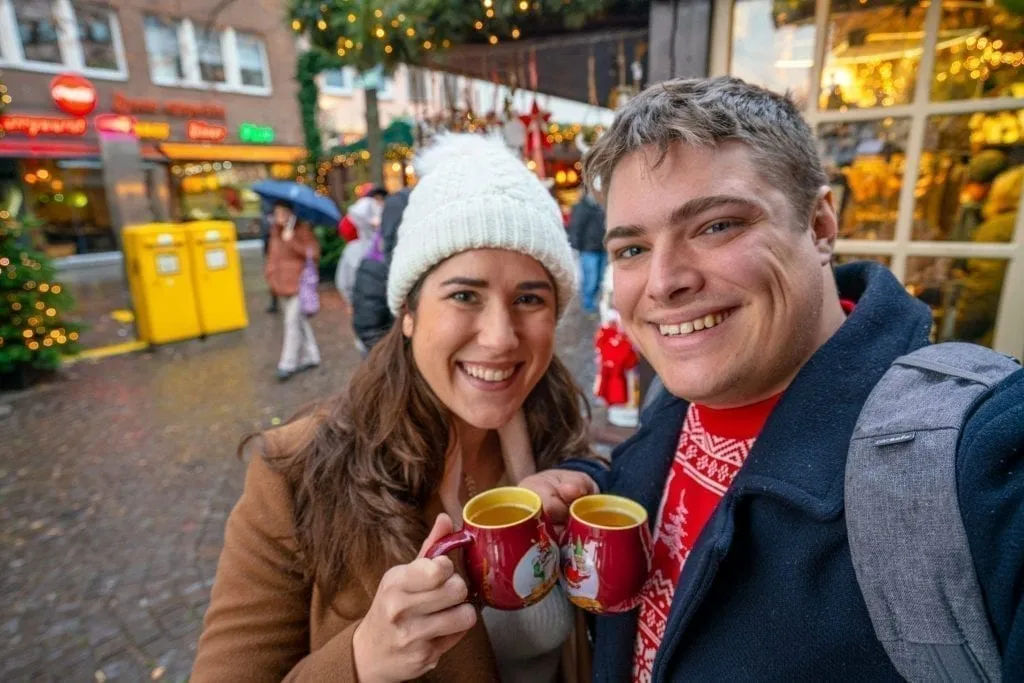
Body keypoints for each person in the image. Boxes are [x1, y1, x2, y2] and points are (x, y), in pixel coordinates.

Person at [519, 77, 1024, 680]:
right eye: (632, 249)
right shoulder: (675, 396)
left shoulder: (979, 453)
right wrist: (590, 484)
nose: (662, 282)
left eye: (716, 226)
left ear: (819, 226)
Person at [192, 134, 596, 683]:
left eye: (530, 298)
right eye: (464, 295)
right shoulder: (300, 474)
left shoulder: (562, 446)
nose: (501, 338)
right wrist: (361, 660)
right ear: (408, 312)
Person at [264, 201, 321, 382]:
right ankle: (312, 355)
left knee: (291, 322)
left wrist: (293, 242)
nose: (280, 215)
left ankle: (287, 364)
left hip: (299, 285)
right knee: (299, 321)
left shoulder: (301, 230)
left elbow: (313, 254)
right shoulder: (275, 232)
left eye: (283, 212)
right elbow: (272, 256)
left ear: (291, 213)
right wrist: (270, 275)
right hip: (280, 285)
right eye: (277, 212)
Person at [567, 189, 607, 314]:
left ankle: (593, 301)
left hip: (602, 248)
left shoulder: (601, 207)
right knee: (591, 278)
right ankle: (588, 304)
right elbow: (576, 227)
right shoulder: (582, 207)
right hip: (589, 250)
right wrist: (576, 246)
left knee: (600, 278)